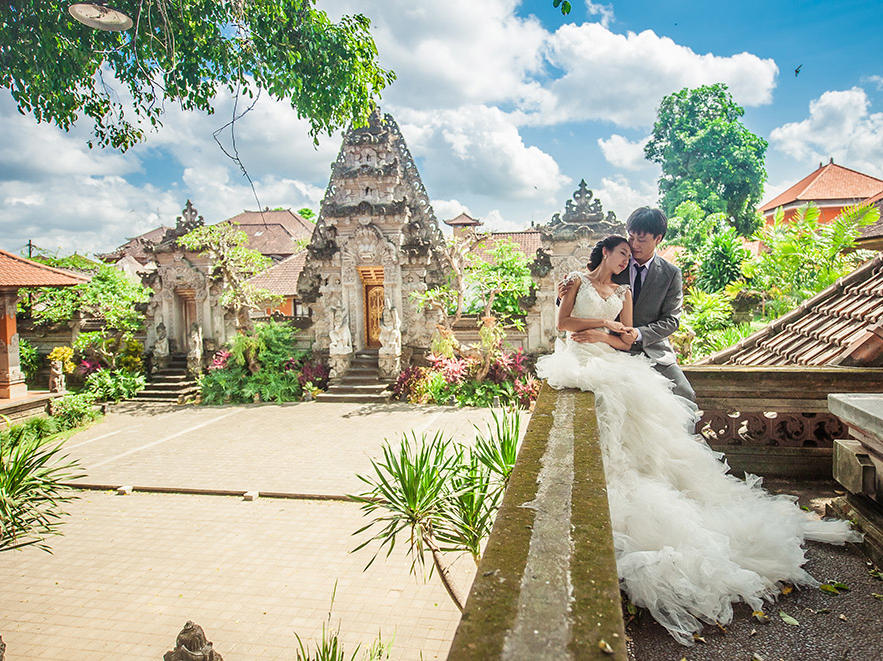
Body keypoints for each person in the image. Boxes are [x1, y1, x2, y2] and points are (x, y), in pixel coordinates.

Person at [536, 235, 860, 645]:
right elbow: (564, 325)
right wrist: (604, 325)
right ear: (607, 251)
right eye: (621, 252)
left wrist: (607, 334)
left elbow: (628, 339)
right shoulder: (576, 282)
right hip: (581, 364)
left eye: (629, 253)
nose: (626, 259)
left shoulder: (624, 290)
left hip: (615, 362)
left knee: (648, 424)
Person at [558, 207, 694, 401]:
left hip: (652, 350)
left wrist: (638, 334)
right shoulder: (615, 261)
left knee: (685, 395)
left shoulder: (671, 274)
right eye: (631, 237)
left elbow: (671, 320)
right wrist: (562, 294)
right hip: (609, 349)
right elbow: (585, 292)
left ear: (658, 239)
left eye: (641, 239)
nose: (634, 245)